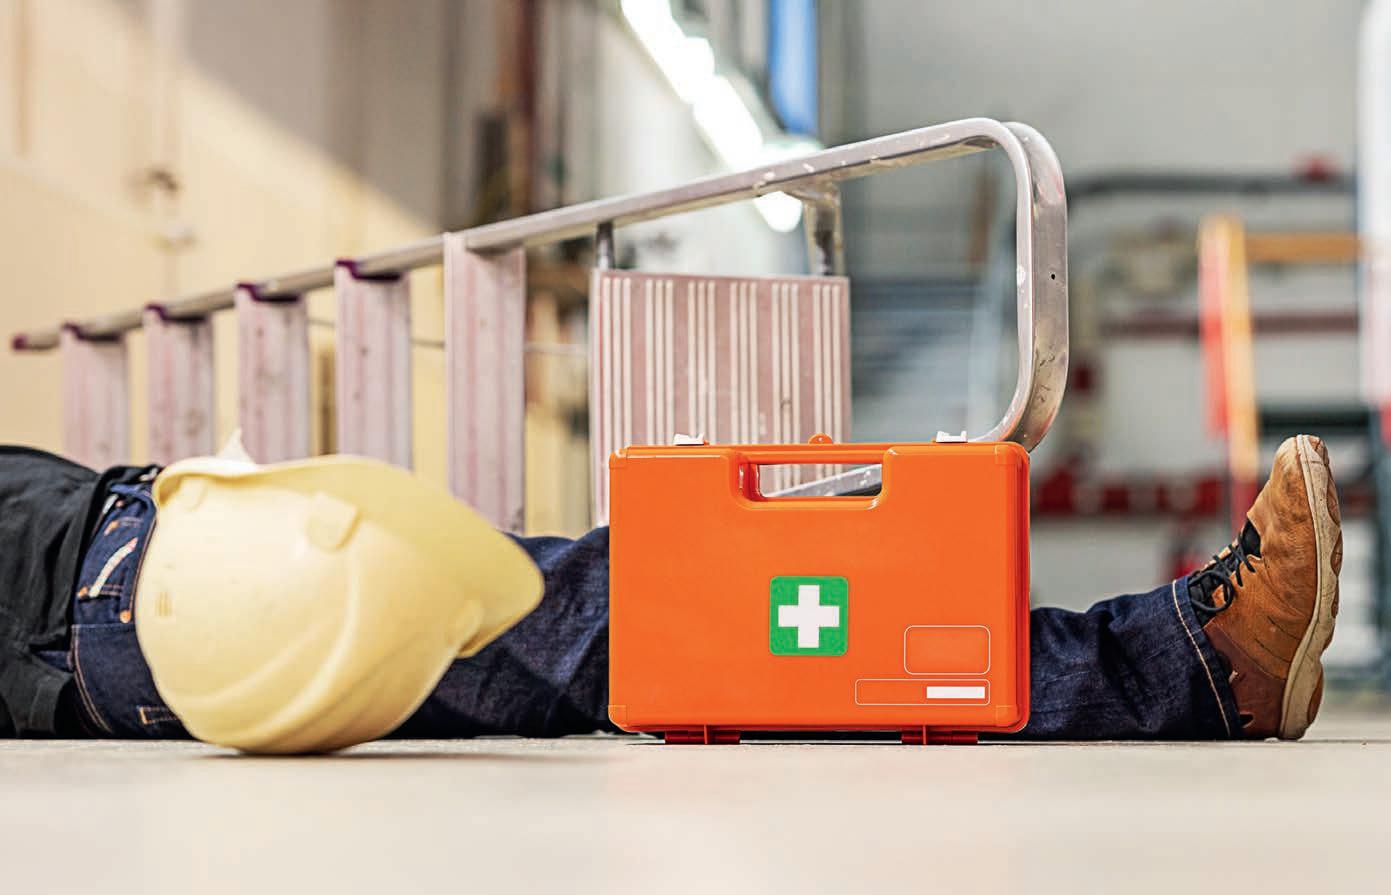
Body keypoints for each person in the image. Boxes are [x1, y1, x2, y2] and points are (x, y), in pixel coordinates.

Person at [0, 433, 1340, 743]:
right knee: (668, 624)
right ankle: (1191, 666)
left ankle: (1189, 667)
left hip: (155, 554)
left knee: (654, 632)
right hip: (137, 602)